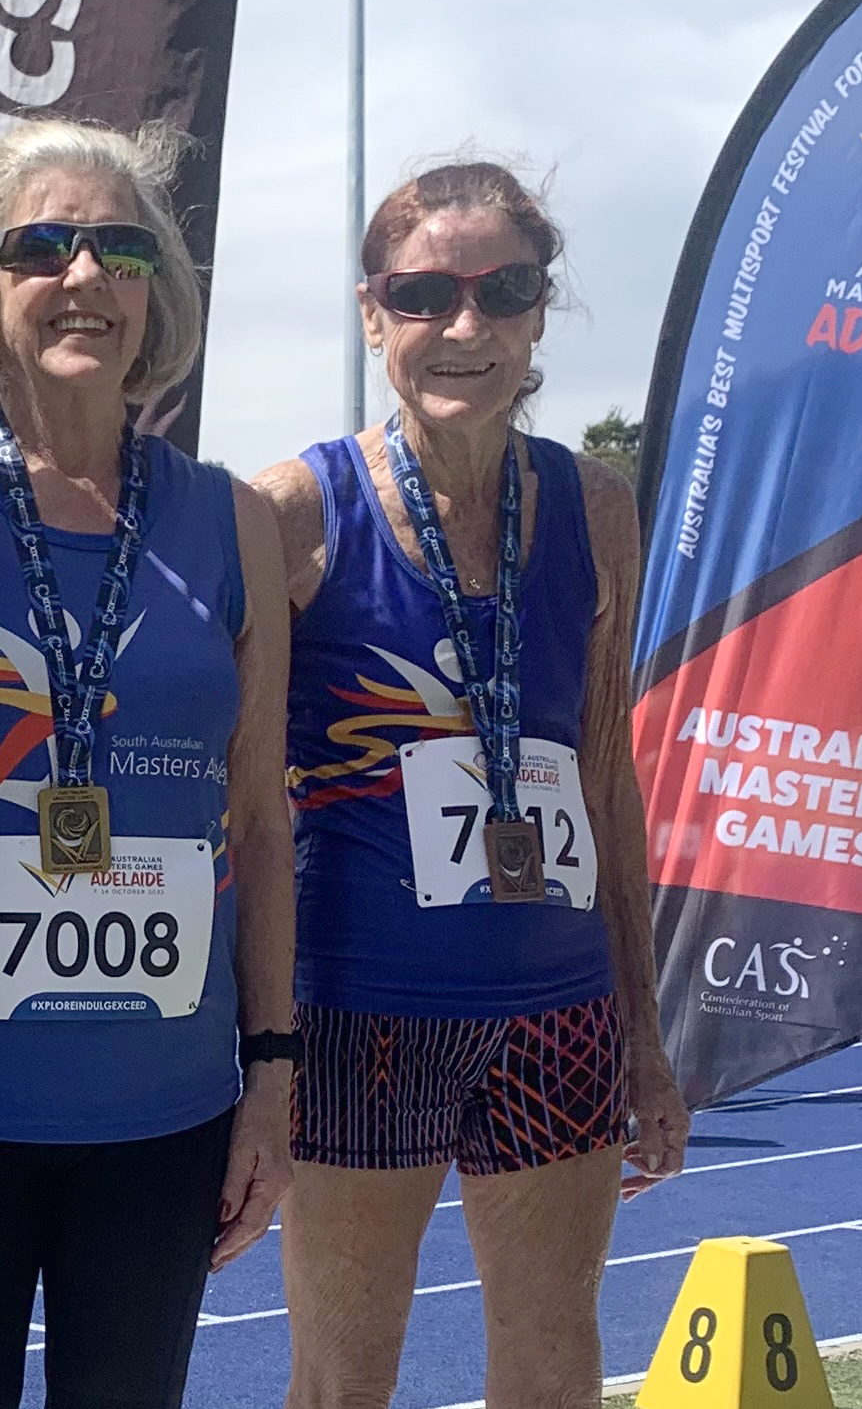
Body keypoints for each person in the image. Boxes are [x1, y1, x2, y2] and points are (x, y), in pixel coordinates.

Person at [0, 116, 296, 1409]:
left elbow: (260, 820)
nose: (83, 274)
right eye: (41, 245)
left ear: (160, 286)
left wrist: (272, 1072)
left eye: (119, 245)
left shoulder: (231, 520)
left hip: (166, 1110)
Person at [252, 161, 691, 1408]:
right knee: (344, 1381)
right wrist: (257, 1053)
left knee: (555, 1364)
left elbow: (607, 782)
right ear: (370, 309)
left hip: (556, 1012)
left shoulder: (596, 506)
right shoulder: (293, 513)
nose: (464, 327)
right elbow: (238, 802)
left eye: (501, 290)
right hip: (361, 1018)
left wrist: (645, 1043)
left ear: (539, 312)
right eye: (425, 293)